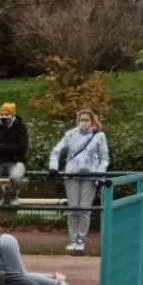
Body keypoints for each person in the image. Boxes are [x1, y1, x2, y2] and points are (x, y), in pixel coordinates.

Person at [46, 108, 110, 255]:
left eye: (87, 120)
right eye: (82, 120)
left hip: (90, 175)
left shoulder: (99, 136)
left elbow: (104, 158)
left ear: (92, 121)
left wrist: (99, 174)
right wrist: (53, 167)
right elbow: (56, 150)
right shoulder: (71, 134)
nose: (84, 123)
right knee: (73, 208)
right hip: (72, 174)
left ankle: (81, 238)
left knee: (84, 209)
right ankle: (72, 238)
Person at [0, 102, 29, 208]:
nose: (4, 117)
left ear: (13, 115)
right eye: (2, 114)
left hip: (16, 161)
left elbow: (22, 148)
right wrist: (10, 147)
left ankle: (12, 195)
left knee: (16, 177)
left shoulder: (21, 128)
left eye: (7, 114)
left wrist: (1, 146)